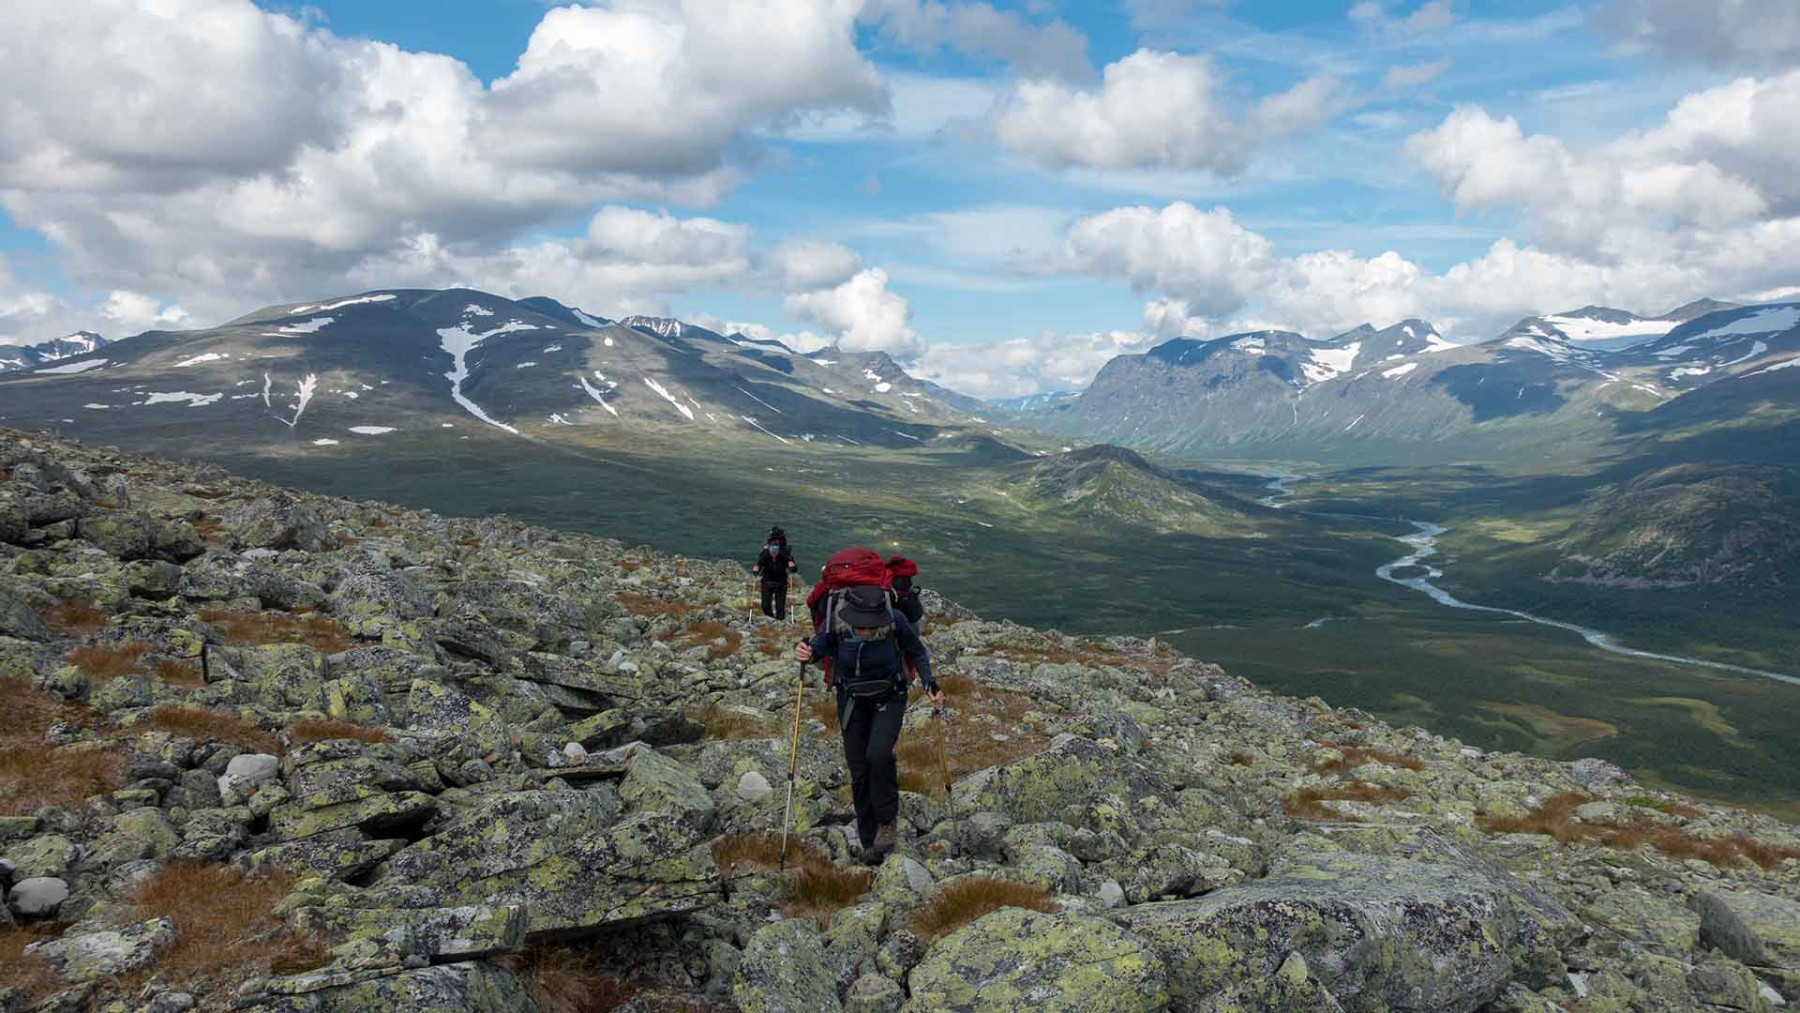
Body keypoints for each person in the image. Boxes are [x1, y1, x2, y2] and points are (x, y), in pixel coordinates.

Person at [795, 583, 941, 864]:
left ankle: (886, 822)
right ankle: (868, 840)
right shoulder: (836, 620)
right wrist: (807, 653)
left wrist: (928, 682)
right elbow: (818, 647)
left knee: (879, 755)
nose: (865, 631)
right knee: (859, 769)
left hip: (890, 697)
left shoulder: (894, 620)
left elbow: (918, 652)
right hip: (851, 700)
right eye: (860, 626)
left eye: (870, 627)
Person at [752, 526, 798, 620]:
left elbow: (792, 565)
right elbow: (758, 564)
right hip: (767, 581)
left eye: (776, 550)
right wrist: (755, 570)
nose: (774, 552)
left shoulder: (784, 555)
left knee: (780, 608)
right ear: (769, 548)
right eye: (772, 549)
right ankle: (771, 619)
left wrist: (792, 567)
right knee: (765, 606)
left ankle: (780, 622)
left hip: (781, 582)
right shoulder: (764, 555)